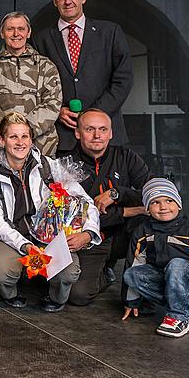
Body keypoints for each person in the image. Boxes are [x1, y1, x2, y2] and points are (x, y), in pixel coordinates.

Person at [0, 111, 100, 313]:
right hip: (12, 239)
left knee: (68, 274)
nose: (20, 143)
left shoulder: (49, 167)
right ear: (2, 140)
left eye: (24, 136)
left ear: (31, 139)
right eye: (13, 137)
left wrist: (88, 233)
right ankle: (11, 293)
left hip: (49, 238)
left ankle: (54, 296)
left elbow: (85, 202)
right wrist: (26, 246)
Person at [32, 0, 133, 154]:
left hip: (104, 135)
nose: (68, 1)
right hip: (62, 138)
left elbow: (123, 79)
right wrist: (57, 110)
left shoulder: (110, 32)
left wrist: (94, 115)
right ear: (55, 2)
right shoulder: (42, 39)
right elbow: (35, 86)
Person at [123, 178, 189, 339]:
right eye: (155, 202)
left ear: (178, 204)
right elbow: (134, 262)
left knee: (177, 265)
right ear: (148, 209)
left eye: (169, 200)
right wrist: (131, 301)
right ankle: (165, 302)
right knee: (132, 274)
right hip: (164, 278)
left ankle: (178, 317)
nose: (163, 207)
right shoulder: (142, 231)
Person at [68, 109, 151, 306]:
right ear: (78, 133)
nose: (97, 135)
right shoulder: (66, 164)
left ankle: (144, 292)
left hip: (125, 234)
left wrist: (118, 193)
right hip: (91, 238)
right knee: (77, 295)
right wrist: (130, 210)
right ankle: (106, 273)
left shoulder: (126, 157)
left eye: (103, 129)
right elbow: (79, 216)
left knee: (151, 222)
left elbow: (154, 194)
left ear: (111, 133)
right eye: (90, 129)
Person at [0, 11, 61, 157]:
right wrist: (9, 134)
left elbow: (52, 103)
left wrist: (25, 133)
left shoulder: (46, 66)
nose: (16, 33)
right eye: (10, 29)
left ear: (28, 32)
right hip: (0, 146)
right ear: (2, 33)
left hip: (41, 145)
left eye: (21, 29)